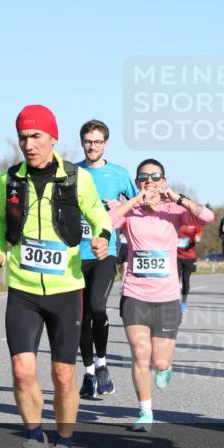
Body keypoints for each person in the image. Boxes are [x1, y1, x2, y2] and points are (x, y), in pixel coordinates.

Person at [0, 105, 113, 448]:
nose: (29, 144)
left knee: (62, 375)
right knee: (23, 370)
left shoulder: (76, 179)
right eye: (23, 137)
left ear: (53, 138)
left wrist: (103, 239)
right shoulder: (9, 180)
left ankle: (66, 445)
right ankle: (33, 439)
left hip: (65, 288)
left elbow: (99, 218)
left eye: (36, 136)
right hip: (22, 288)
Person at [110, 160, 214, 430]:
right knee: (140, 353)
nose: (149, 181)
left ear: (164, 181)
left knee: (159, 360)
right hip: (135, 293)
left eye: (155, 177)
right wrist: (133, 200)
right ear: (137, 182)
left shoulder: (174, 210)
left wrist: (177, 197)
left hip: (167, 297)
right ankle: (145, 411)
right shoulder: (129, 211)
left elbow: (207, 217)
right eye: (143, 177)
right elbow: (105, 221)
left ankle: (166, 367)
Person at [75, 119, 138, 400]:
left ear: (106, 144)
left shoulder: (119, 174)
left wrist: (121, 210)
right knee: (81, 317)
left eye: (97, 141)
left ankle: (102, 364)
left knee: (97, 307)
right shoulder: (73, 173)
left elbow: (141, 207)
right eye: (88, 141)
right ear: (82, 143)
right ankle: (89, 373)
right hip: (75, 255)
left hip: (106, 252)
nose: (92, 146)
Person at [176, 220, 203, 312]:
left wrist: (197, 239)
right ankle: (175, 301)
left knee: (185, 280)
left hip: (189, 257)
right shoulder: (177, 221)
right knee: (175, 280)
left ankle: (183, 302)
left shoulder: (196, 224)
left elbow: (199, 237)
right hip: (176, 256)